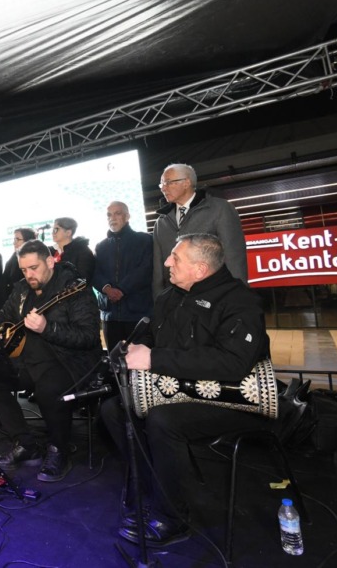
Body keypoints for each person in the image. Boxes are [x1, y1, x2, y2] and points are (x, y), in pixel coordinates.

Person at [101, 233, 270, 547]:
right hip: (178, 389)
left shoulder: (240, 301)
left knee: (164, 420)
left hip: (231, 398)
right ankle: (152, 487)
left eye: (175, 258)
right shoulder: (169, 297)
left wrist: (155, 358)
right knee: (114, 408)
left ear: (200, 269)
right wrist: (135, 348)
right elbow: (153, 339)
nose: (167, 262)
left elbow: (234, 363)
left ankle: (172, 516)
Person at [0, 240, 101, 482]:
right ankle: (25, 443)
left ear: (50, 261)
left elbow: (88, 336)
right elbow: (4, 315)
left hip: (68, 361)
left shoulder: (74, 288)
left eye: (34, 268)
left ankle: (59, 449)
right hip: (28, 360)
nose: (29, 275)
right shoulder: (22, 289)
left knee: (48, 387)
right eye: (24, 270)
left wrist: (48, 328)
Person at [152, 163, 247, 296]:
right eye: (161, 184)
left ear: (186, 183)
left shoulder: (219, 209)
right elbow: (158, 269)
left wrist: (237, 296)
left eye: (168, 182)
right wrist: (159, 299)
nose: (163, 188)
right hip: (175, 299)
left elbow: (234, 257)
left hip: (214, 296)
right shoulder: (161, 222)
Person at [92, 202, 153, 350]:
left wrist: (121, 289)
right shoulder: (100, 246)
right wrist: (107, 289)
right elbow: (94, 273)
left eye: (117, 213)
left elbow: (145, 269)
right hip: (110, 316)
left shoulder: (145, 240)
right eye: (109, 215)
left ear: (127, 216)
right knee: (115, 360)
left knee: (141, 360)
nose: (112, 218)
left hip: (138, 313)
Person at [52, 217, 95, 281]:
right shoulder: (51, 251)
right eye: (53, 230)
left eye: (56, 229)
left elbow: (84, 279)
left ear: (68, 233)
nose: (53, 233)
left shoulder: (83, 251)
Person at [1, 228, 36, 304]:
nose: (14, 243)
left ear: (27, 241)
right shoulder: (15, 256)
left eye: (17, 239)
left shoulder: (33, 259)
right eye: (14, 239)